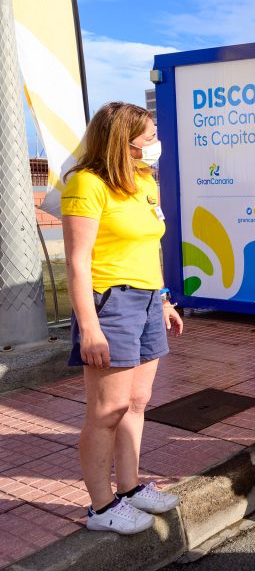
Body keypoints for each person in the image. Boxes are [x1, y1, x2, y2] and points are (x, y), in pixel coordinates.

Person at [62, 102, 184, 535]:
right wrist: (89, 328)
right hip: (110, 302)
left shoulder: (143, 181)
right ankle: (101, 507)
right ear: (120, 142)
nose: (155, 145)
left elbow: (150, 247)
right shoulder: (86, 184)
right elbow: (76, 263)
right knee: (107, 409)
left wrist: (165, 299)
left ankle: (130, 489)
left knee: (136, 402)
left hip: (149, 299)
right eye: (147, 138)